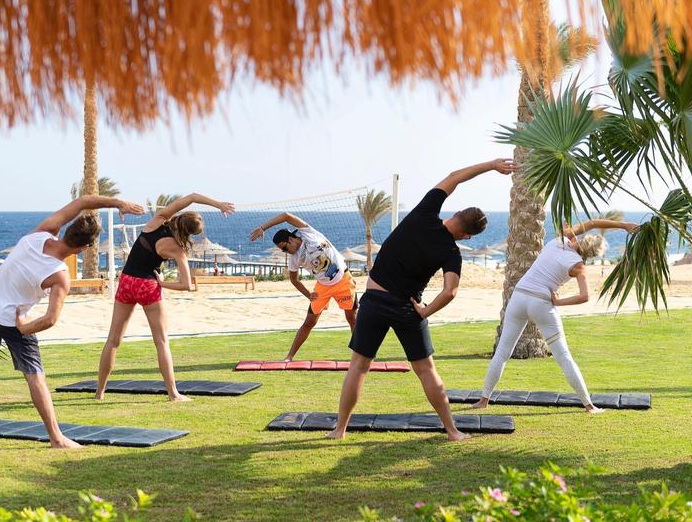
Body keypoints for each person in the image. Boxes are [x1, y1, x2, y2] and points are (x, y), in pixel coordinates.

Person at [326, 159, 515, 440]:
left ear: (456, 213)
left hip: (375, 300)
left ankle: (339, 430)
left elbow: (455, 176)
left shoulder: (424, 212)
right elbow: (450, 291)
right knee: (425, 370)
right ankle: (452, 431)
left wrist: (492, 165)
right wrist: (425, 312)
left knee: (359, 367)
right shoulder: (452, 252)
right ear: (466, 235)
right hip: (407, 309)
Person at [0, 195, 144, 448]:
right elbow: (50, 319)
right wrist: (24, 327)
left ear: (66, 230)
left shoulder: (39, 234)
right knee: (35, 376)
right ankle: (56, 438)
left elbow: (83, 201)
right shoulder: (59, 276)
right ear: (84, 249)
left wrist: (118, 203)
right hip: (12, 320)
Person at [472, 218, 639, 413]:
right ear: (591, 255)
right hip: (541, 303)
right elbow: (585, 296)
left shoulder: (560, 240)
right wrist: (559, 302)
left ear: (581, 238)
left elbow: (593, 222)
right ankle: (589, 405)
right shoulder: (578, 266)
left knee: (502, 352)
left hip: (519, 297)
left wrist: (624, 225)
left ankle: (483, 400)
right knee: (563, 356)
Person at [96, 193, 234, 401]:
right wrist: (162, 283)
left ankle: (99, 393)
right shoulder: (178, 249)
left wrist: (218, 204)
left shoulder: (157, 220)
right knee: (161, 342)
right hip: (147, 285)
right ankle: (173, 393)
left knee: (113, 340)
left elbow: (192, 196)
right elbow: (187, 285)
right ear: (191, 234)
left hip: (126, 281)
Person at [250, 213, 357, 361]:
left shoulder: (308, 233)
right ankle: (289, 357)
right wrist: (308, 295)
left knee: (352, 319)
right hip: (323, 287)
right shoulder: (294, 259)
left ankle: (359, 356)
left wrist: (263, 228)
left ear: (291, 239)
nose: (285, 252)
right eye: (283, 251)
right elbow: (294, 280)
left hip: (343, 280)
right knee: (309, 322)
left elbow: (286, 216)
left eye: (285, 248)